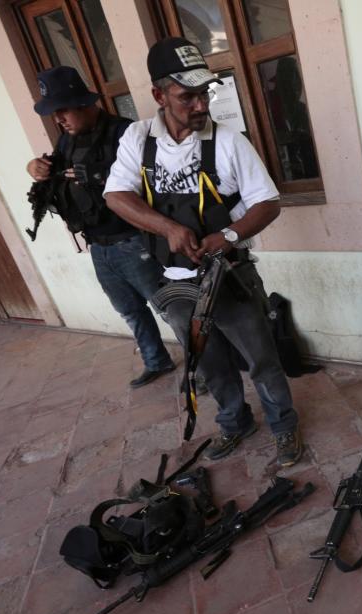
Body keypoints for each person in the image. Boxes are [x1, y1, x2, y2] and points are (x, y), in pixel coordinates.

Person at [104, 37, 302, 465]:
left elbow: (267, 202)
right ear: (159, 95)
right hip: (175, 283)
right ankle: (235, 423)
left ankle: (284, 426)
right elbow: (116, 195)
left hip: (228, 276)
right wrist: (168, 228)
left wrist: (227, 236)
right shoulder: (138, 138)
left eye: (204, 94)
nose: (199, 106)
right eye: (186, 96)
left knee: (261, 358)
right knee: (208, 362)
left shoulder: (229, 142)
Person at [26, 66, 175, 388]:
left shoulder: (126, 133)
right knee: (130, 310)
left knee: (170, 310)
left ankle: (205, 368)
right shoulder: (67, 140)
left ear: (85, 104)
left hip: (135, 241)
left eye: (63, 110)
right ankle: (156, 360)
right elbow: (54, 172)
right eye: (54, 113)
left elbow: (156, 183)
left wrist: (100, 177)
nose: (58, 119)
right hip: (99, 244)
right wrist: (34, 167)